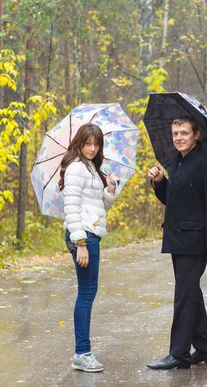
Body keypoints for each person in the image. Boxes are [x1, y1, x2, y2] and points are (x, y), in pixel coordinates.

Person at [147, 116, 207, 370]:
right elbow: (173, 200)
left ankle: (179, 353)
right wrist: (160, 181)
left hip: (195, 241)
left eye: (184, 133)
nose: (179, 137)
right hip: (177, 237)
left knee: (184, 294)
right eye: (175, 133)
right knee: (191, 292)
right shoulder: (177, 163)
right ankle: (205, 349)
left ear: (195, 135)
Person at [59, 123, 120, 373]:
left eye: (96, 144)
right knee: (86, 294)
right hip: (83, 237)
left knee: (88, 293)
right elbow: (72, 208)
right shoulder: (75, 168)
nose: (92, 148)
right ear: (79, 143)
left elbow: (97, 207)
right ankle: (82, 353)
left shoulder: (92, 169)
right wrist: (80, 242)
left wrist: (111, 190)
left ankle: (82, 352)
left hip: (89, 234)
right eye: (87, 143)